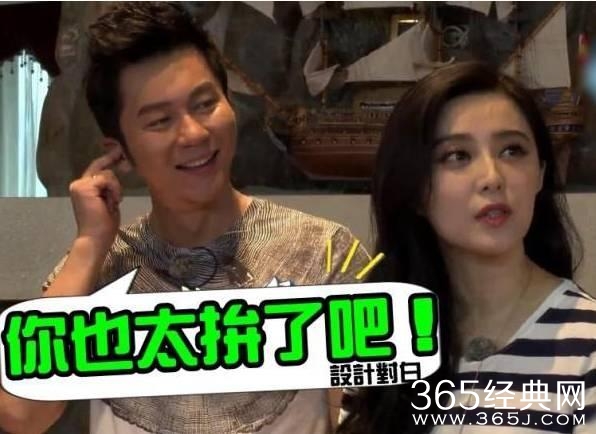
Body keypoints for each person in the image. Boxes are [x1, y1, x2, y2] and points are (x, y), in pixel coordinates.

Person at [0, 3, 370, 434]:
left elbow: (369, 416)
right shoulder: (100, 270)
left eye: (205, 104)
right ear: (120, 151)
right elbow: (20, 415)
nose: (194, 133)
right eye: (160, 121)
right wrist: (89, 245)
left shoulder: (323, 254)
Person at [337, 61, 596, 434]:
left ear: (540, 173)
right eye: (457, 156)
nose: (492, 177)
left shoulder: (586, 346)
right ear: (414, 189)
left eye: (512, 151)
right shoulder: (379, 339)